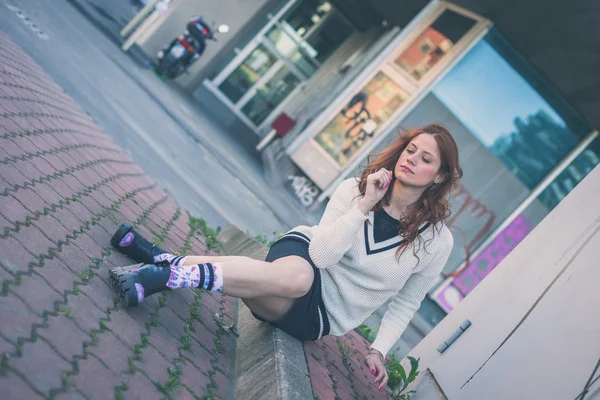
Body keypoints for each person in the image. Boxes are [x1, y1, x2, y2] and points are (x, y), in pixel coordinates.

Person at [108, 123, 462, 393]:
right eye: (411, 150)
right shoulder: (355, 189)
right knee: (298, 278)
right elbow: (321, 255)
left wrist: (378, 350)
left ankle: (163, 261)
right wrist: (364, 206)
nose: (412, 159)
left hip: (322, 314)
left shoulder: (435, 241)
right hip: (303, 258)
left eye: (425, 158)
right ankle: (165, 277)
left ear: (440, 175)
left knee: (285, 284)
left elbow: (406, 303)